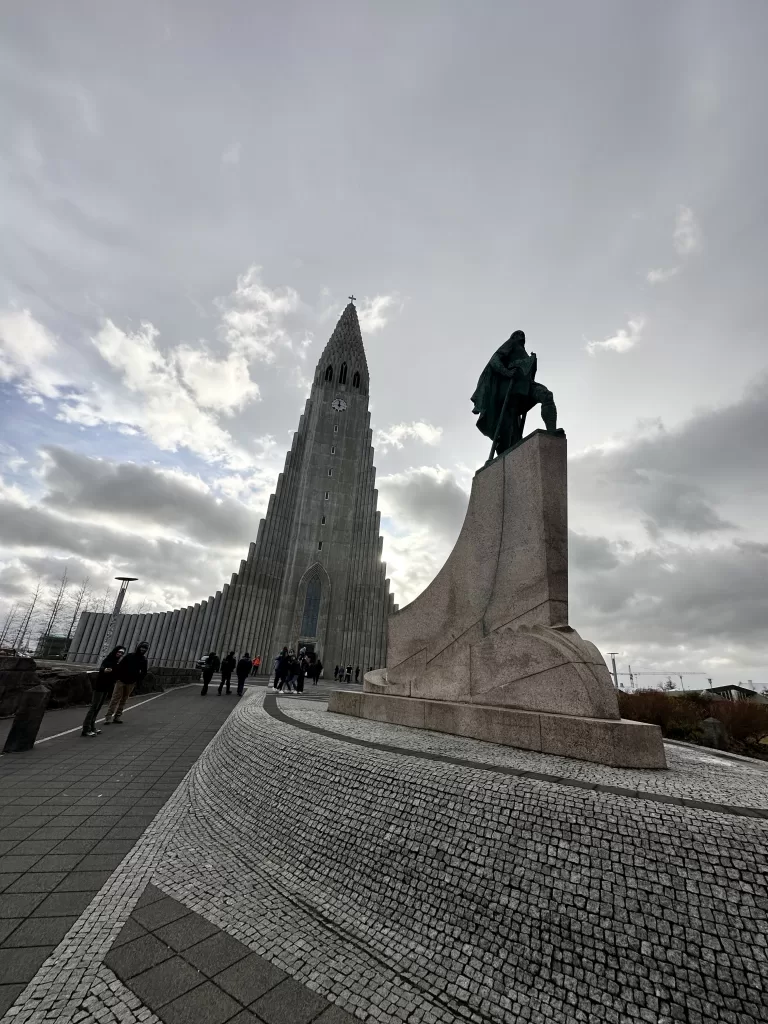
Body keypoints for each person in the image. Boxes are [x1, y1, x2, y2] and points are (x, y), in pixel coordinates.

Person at [471, 329, 561, 460]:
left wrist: (532, 362)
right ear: (513, 336)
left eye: (523, 334)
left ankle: (551, 430)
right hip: (512, 389)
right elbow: (494, 360)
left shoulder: (522, 351)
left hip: (526, 386)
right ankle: (506, 447)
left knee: (546, 395)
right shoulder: (511, 344)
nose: (521, 336)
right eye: (518, 334)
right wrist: (506, 372)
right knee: (511, 428)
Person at [82, 646, 125, 736]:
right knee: (94, 707)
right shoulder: (108, 659)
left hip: (107, 687)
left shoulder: (117, 662)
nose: (120, 654)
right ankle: (86, 728)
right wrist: (105, 670)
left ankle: (92, 726)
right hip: (100, 686)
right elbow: (102, 668)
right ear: (115, 651)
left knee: (98, 707)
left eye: (122, 653)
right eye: (119, 652)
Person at [104, 641, 149, 723]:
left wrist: (137, 679)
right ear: (139, 647)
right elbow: (120, 666)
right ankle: (108, 717)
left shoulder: (144, 660)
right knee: (115, 698)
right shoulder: (129, 656)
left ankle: (117, 716)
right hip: (121, 680)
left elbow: (144, 672)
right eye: (142, 647)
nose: (143, 649)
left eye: (145, 648)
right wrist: (117, 677)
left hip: (131, 682)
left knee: (124, 700)